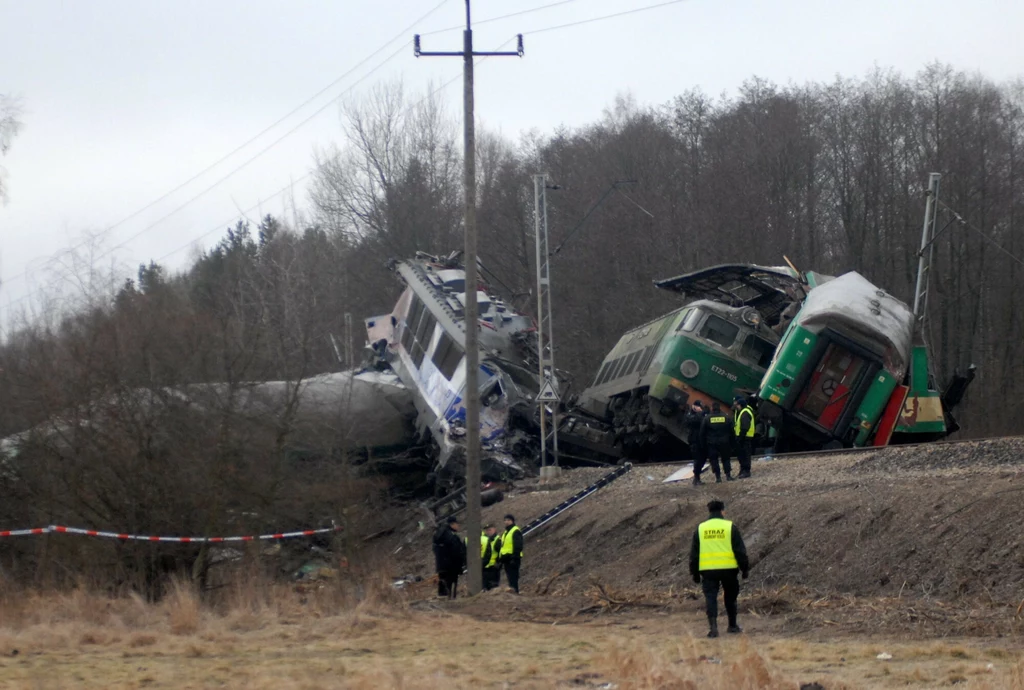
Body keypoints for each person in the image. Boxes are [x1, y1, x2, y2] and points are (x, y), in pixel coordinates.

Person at [688, 499, 750, 638]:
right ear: (722, 511)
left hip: (708, 570)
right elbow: (740, 550)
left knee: (711, 598)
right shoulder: (730, 527)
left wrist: (695, 573)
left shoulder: (701, 528)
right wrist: (744, 568)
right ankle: (732, 625)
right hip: (729, 569)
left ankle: (713, 628)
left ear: (709, 511)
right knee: (730, 597)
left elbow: (694, 554)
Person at [433, 515, 466, 599]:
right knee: (451, 585)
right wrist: (461, 564)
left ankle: (443, 600)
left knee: (443, 585)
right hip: (451, 566)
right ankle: (451, 601)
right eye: (457, 524)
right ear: (452, 524)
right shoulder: (452, 536)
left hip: (441, 565)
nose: (458, 526)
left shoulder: (439, 535)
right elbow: (457, 552)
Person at [700, 402, 734, 482]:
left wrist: (703, 444)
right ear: (720, 408)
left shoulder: (707, 418)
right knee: (726, 459)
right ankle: (728, 476)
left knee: (714, 460)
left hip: (712, 443)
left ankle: (718, 477)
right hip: (724, 442)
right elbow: (732, 431)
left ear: (712, 408)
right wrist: (732, 443)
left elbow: (702, 433)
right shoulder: (726, 418)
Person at [499, 514, 523, 594]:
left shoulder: (515, 531)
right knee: (510, 577)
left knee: (513, 577)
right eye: (505, 520)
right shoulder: (506, 532)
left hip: (513, 558)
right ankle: (513, 592)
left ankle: (515, 592)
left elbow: (518, 545)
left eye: (508, 520)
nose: (506, 522)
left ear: (512, 521)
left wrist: (514, 557)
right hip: (506, 558)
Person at [685, 401, 708, 485]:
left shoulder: (702, 414)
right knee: (697, 459)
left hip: (702, 440)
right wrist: (701, 412)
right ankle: (696, 477)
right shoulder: (690, 415)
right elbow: (693, 421)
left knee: (703, 459)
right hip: (694, 441)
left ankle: (697, 477)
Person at [732, 396, 756, 479]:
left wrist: (740, 437)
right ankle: (743, 470)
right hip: (743, 436)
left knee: (745, 454)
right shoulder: (743, 411)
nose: (736, 406)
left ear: (740, 405)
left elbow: (745, 427)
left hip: (744, 437)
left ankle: (746, 471)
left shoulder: (745, 412)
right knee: (742, 454)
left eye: (737, 404)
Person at [481, 524, 501, 590]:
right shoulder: (486, 541)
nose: (488, 532)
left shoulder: (498, 540)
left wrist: (498, 563)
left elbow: (501, 553)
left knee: (493, 588)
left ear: (494, 530)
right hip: (485, 569)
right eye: (487, 530)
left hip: (493, 569)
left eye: (490, 530)